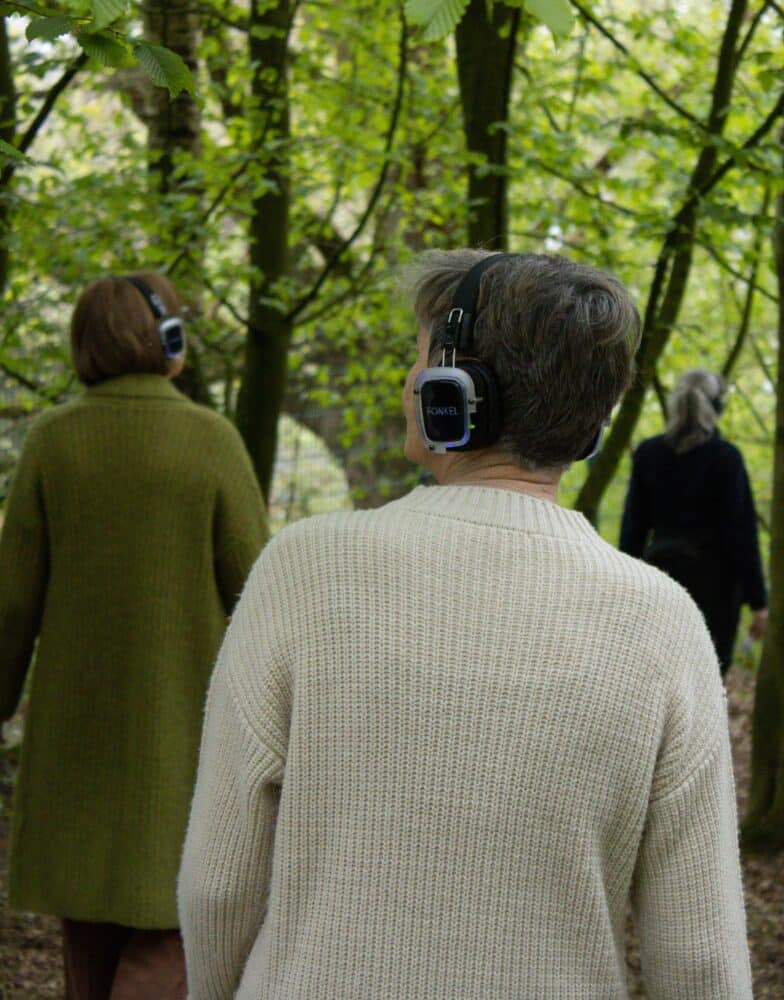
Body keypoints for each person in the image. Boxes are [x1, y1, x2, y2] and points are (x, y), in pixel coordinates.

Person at [178, 250, 752, 998]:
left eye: (419, 359)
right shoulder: (666, 623)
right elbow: (701, 960)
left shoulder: (305, 570)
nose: (407, 382)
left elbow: (219, 887)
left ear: (454, 393)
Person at [0, 272, 269, 1000]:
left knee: (87, 948)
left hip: (73, 749)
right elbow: (259, 595)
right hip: (184, 742)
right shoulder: (211, 440)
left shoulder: (52, 442)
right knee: (170, 937)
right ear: (168, 339)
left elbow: (11, 606)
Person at [619, 369, 768, 674]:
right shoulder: (727, 458)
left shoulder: (648, 454)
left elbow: (632, 531)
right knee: (709, 679)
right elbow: (742, 536)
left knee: (658, 676)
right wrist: (758, 603)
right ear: (717, 406)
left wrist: (625, 591)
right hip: (716, 591)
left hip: (659, 580)